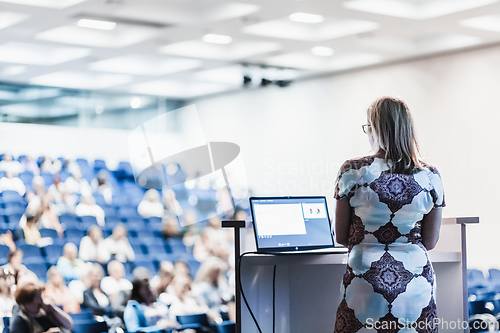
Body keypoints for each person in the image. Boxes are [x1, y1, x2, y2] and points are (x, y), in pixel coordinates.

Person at [333, 97, 445, 332]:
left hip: (365, 278)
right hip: (415, 281)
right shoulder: (430, 176)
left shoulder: (353, 170)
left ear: (376, 130)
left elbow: (341, 236)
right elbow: (430, 241)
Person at [9, 280, 74, 333]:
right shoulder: (20, 320)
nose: (41, 301)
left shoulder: (45, 314)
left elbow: (68, 325)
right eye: (38, 298)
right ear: (28, 302)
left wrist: (52, 309)